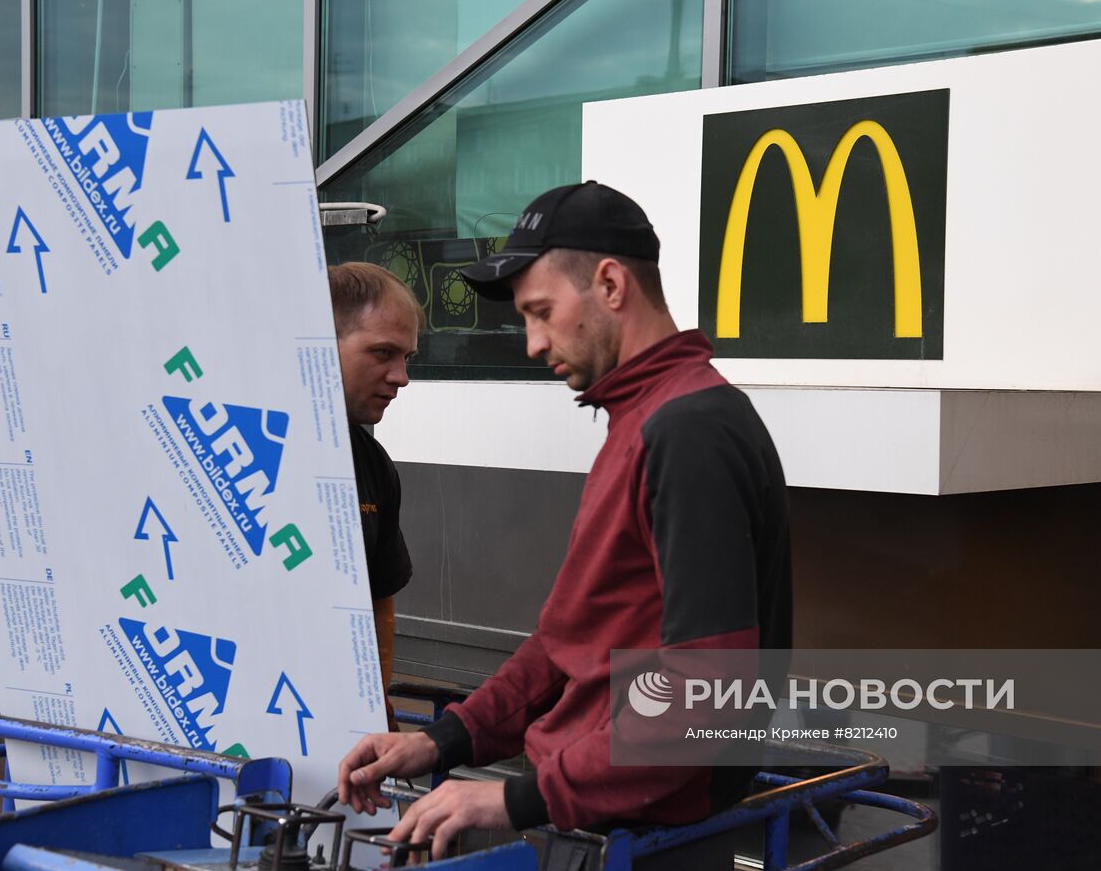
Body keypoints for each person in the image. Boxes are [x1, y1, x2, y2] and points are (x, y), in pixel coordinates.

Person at [336, 183, 792, 862]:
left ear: (609, 283)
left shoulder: (688, 431)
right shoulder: (643, 419)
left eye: (541, 312)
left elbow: (707, 692)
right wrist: (444, 739)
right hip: (601, 820)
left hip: (636, 840)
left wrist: (514, 798)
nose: (531, 342)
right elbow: (564, 643)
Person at [330, 261, 422, 719]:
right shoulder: (246, 445)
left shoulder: (372, 464)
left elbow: (378, 602)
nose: (401, 377)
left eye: (407, 358)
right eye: (383, 353)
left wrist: (374, 710)